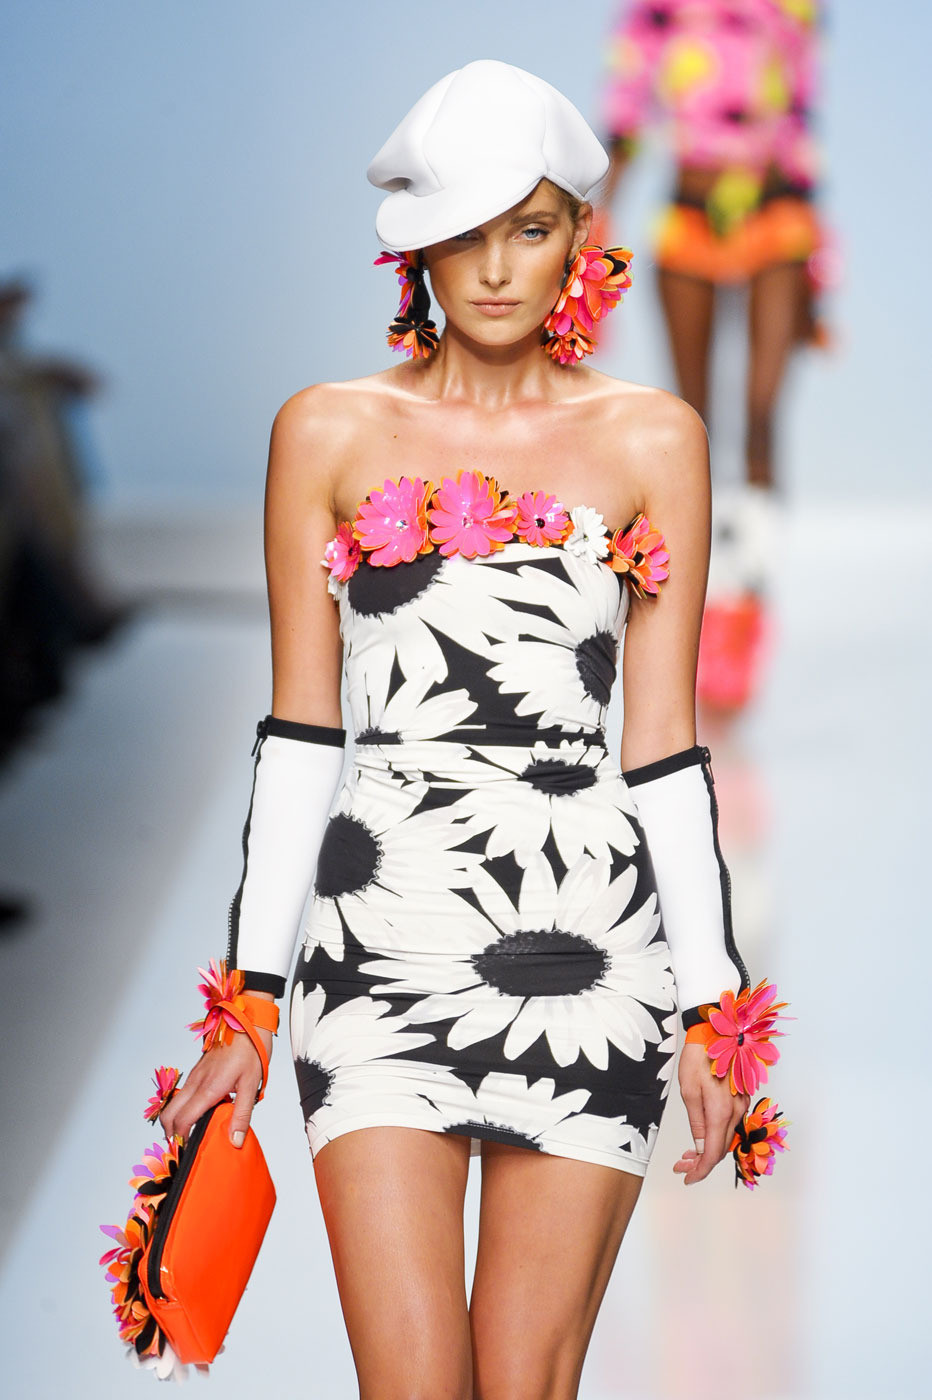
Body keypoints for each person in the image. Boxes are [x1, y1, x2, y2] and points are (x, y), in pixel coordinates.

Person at [160, 60, 783, 1398]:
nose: (497, 269)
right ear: (417, 246)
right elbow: (301, 736)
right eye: (466, 232)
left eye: (530, 227)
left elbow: (663, 749)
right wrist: (250, 1003)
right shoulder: (327, 432)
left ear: (579, 238)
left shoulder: (653, 441)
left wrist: (710, 1009)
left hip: (593, 953)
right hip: (375, 956)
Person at [599, 0, 830, 710]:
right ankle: (695, 611)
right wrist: (594, 222)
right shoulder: (658, 11)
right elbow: (627, 114)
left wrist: (819, 280)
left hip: (779, 212)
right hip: (689, 214)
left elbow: (800, 116)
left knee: (760, 416)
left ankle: (746, 611)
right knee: (689, 425)